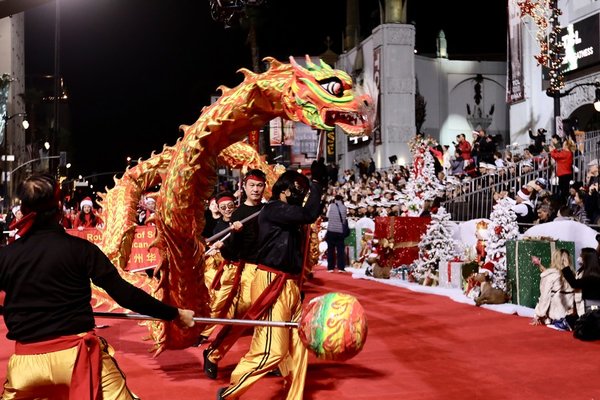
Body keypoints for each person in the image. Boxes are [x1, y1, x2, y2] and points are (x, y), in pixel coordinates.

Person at [0, 173, 195, 399]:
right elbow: (125, 294)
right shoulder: (82, 250)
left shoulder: (5, 256)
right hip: (76, 356)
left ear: (22, 210)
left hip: (26, 367)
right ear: (60, 208)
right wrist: (174, 314)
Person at [216, 169, 324, 400]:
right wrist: (316, 184)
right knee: (270, 351)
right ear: (283, 191)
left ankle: (295, 396)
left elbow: (307, 219)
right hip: (271, 281)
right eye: (296, 190)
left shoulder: (288, 214)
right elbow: (309, 213)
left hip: (291, 284)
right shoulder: (274, 209)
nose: (299, 194)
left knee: (298, 345)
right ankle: (230, 392)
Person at [203, 169, 267, 376]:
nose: (256, 189)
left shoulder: (269, 210)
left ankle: (267, 359)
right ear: (245, 187)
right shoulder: (238, 215)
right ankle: (213, 354)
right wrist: (235, 236)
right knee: (242, 319)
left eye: (260, 185)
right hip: (247, 270)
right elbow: (232, 251)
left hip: (270, 271)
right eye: (252, 186)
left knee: (270, 319)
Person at [531, 249, 575, 329]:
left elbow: (545, 297)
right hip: (571, 313)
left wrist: (539, 314)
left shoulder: (550, 275)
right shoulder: (573, 275)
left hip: (556, 314)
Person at [561, 247, 600, 316]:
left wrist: (566, 266)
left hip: (590, 309)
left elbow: (574, 283)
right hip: (587, 307)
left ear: (587, 259)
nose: (579, 258)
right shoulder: (587, 271)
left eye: (581, 256)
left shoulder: (592, 277)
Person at [325, 194, 348, 273]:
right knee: (340, 250)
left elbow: (327, 215)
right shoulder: (344, 207)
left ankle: (330, 267)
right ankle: (341, 267)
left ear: (335, 199)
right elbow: (344, 220)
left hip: (331, 230)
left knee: (330, 250)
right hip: (340, 231)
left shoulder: (331, 206)